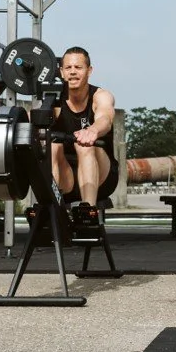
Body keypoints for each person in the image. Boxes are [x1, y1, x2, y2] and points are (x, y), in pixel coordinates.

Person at [49, 46, 117, 236]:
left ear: (89, 70)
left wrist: (93, 130)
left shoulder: (100, 96)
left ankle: (89, 214)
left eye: (78, 67)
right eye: (68, 67)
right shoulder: (54, 99)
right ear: (62, 72)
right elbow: (36, 123)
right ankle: (53, 212)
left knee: (84, 145)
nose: (73, 72)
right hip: (68, 178)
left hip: (102, 177)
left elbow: (105, 117)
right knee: (52, 146)